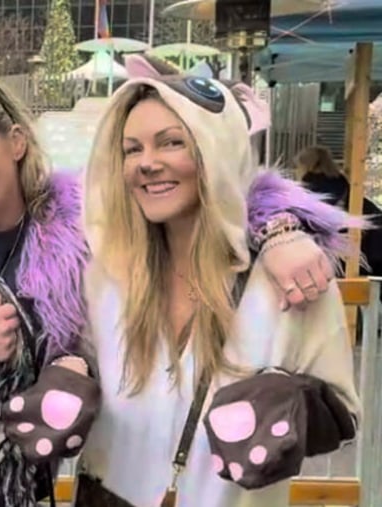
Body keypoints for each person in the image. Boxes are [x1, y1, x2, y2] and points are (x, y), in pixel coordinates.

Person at [0, 67, 359, 507]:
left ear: (16, 143)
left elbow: (220, 190)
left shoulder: (81, 230)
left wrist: (283, 227)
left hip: (30, 491)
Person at [75, 68, 360, 506]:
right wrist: (67, 379)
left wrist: (292, 403)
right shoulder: (105, 275)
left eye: (172, 141)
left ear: (217, 150)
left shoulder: (291, 279)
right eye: (132, 149)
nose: (147, 162)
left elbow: (344, 411)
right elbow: (90, 372)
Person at [296, 144, 382, 275]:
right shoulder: (347, 188)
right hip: (360, 260)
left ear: (306, 166)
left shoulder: (307, 192)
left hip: (321, 266)